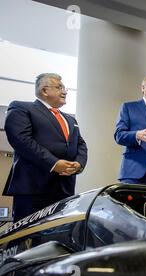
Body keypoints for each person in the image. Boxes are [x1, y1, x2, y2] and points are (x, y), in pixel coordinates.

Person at [2, 73, 88, 222]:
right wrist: (54, 163)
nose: (65, 91)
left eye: (64, 87)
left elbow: (80, 144)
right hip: (33, 188)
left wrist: (79, 164)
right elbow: (21, 140)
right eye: (59, 87)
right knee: (28, 238)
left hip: (64, 189)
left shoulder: (70, 119)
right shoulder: (21, 107)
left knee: (57, 235)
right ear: (44, 91)